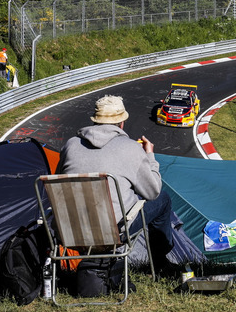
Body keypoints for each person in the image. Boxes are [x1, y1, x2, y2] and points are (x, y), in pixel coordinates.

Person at [57, 95, 175, 275]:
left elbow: (59, 183)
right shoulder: (130, 148)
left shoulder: (71, 145)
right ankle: (159, 263)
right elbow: (152, 192)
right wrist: (149, 156)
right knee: (163, 200)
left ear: (95, 121)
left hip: (71, 230)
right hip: (112, 231)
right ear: (122, 123)